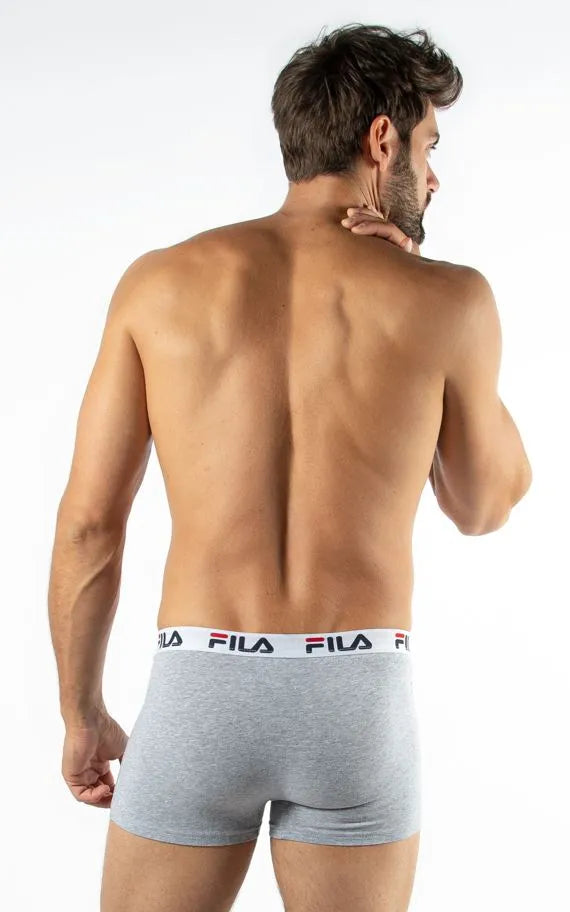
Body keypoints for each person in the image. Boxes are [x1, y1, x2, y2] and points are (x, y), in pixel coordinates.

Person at [48, 23, 532, 912]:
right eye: (429, 146)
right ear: (381, 139)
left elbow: (89, 526)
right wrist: (438, 309)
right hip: (356, 694)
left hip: (201, 687)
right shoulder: (449, 299)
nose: (433, 177)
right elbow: (485, 504)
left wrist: (82, 714)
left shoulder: (157, 284)